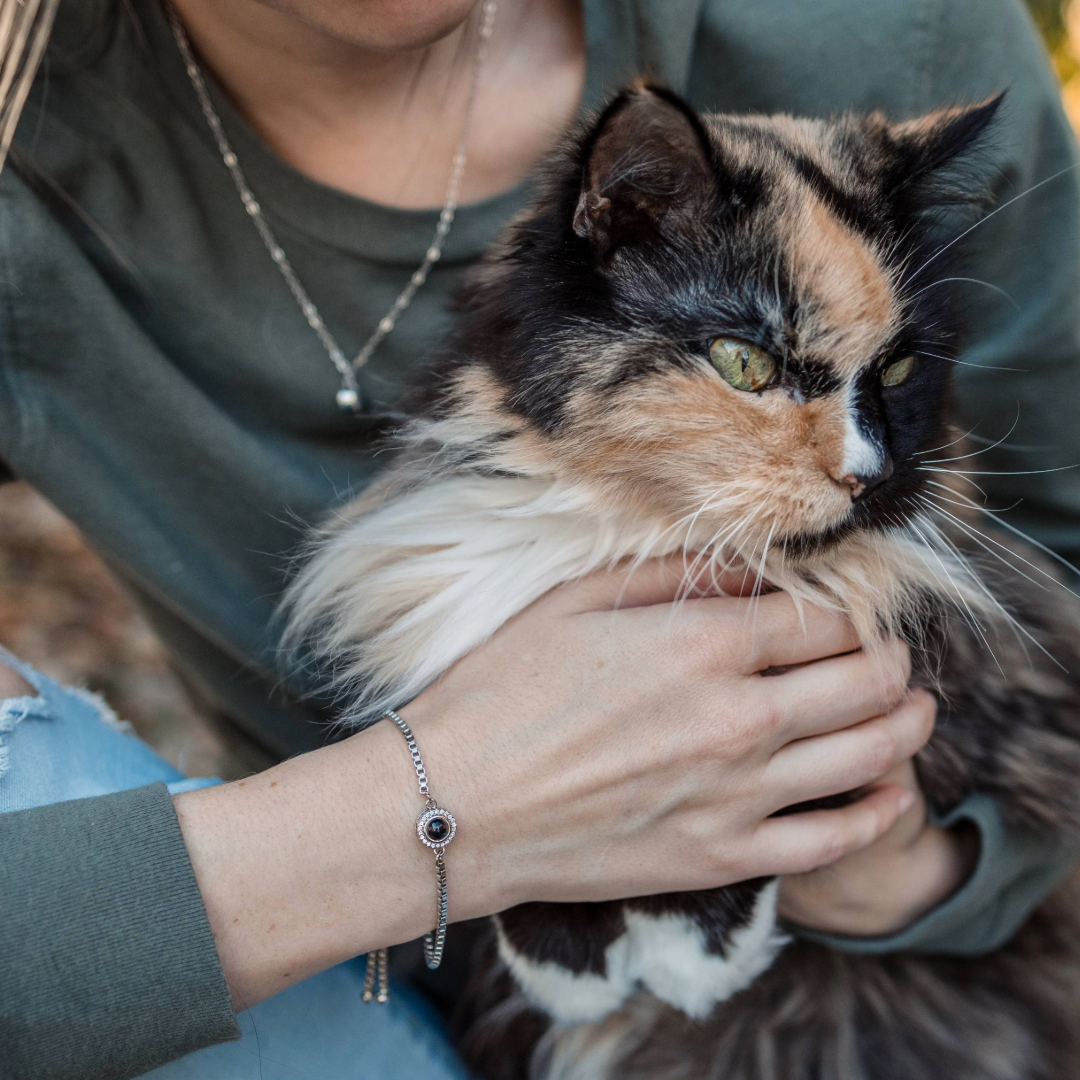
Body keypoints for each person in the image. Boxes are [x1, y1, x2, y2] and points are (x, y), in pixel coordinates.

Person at [1, 0, 1078, 1077]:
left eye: (882, 380)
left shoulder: (893, 29)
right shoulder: (29, 156)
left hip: (923, 990)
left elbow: (1053, 549)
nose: (857, 464)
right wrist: (440, 809)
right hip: (337, 960)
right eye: (756, 372)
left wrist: (904, 870)